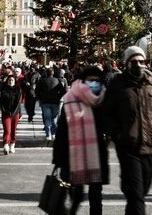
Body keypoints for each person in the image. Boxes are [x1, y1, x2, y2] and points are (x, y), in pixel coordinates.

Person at [103, 46, 152, 215]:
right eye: (134, 61)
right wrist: (118, 134)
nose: (138, 65)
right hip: (128, 147)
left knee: (141, 191)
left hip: (150, 145)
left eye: (142, 61)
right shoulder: (117, 85)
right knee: (136, 195)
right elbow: (107, 113)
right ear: (126, 63)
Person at [53, 66, 109, 215]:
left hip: (95, 156)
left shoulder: (103, 100)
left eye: (97, 81)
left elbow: (109, 125)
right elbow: (61, 131)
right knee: (75, 196)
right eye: (90, 80)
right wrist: (58, 158)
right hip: (73, 157)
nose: (94, 84)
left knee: (96, 196)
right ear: (83, 81)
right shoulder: (71, 99)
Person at [37, 67, 66, 141]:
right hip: (55, 102)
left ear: (46, 73)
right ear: (53, 73)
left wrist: (41, 98)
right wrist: (58, 97)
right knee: (54, 119)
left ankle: (48, 134)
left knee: (47, 118)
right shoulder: (57, 80)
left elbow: (37, 91)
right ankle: (53, 133)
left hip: (45, 102)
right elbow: (63, 91)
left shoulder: (42, 80)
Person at [0, 74, 22, 155]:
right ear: (7, 81)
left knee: (13, 130)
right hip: (6, 114)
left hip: (15, 114)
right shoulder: (4, 89)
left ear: (14, 81)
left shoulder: (18, 89)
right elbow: (1, 102)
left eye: (12, 80)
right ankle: (6, 145)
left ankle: (12, 144)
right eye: (9, 80)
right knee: (7, 130)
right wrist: (5, 111)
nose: (11, 81)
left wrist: (15, 112)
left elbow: (18, 102)